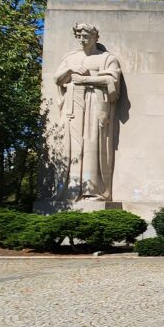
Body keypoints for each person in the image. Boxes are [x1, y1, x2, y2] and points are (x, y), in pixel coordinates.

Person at [54, 23, 122, 201]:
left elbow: (112, 81)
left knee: (93, 145)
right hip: (72, 105)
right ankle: (69, 190)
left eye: (86, 36)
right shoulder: (70, 57)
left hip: (95, 103)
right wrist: (70, 70)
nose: (82, 40)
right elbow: (57, 79)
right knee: (71, 146)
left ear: (95, 37)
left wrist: (85, 79)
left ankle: (92, 191)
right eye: (79, 36)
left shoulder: (106, 58)